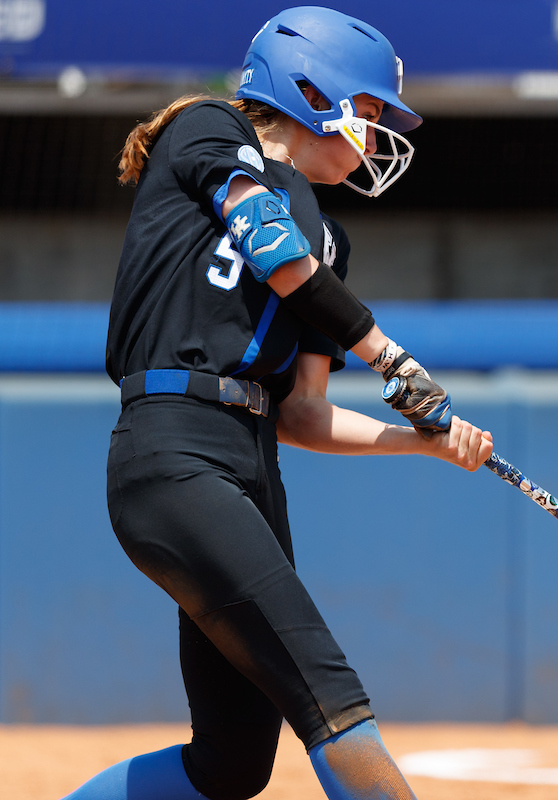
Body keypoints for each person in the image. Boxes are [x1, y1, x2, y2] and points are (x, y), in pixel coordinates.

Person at [63, 7, 492, 800]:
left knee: (233, 763)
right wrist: (388, 354)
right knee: (330, 696)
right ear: (308, 90)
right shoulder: (205, 127)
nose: (375, 133)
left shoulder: (331, 243)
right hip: (174, 452)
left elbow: (301, 414)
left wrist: (419, 440)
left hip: (252, 467)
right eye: (365, 110)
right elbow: (269, 243)